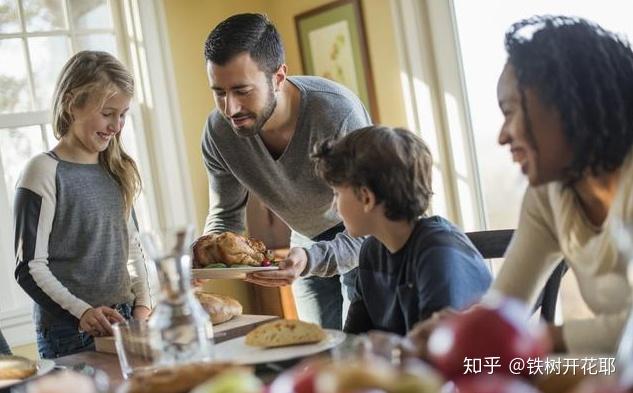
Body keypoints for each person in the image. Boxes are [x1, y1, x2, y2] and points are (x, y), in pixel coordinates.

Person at [407, 15, 633, 356]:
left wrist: (542, 340)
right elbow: (504, 307)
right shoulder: (549, 196)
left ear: (569, 104)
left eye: (510, 111)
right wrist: (458, 330)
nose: (502, 136)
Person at [199, 13, 371, 329]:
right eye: (219, 92)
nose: (230, 109)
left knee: (358, 350)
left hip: (362, 237)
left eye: (241, 90)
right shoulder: (218, 134)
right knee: (316, 353)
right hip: (305, 241)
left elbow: (372, 221)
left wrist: (312, 259)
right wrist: (204, 262)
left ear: (278, 78)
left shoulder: (336, 115)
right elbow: (226, 217)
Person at [14, 51, 152, 359]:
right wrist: (82, 313)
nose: (116, 126)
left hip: (127, 320)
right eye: (107, 113)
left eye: (123, 114)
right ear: (71, 103)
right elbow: (29, 267)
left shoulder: (118, 169)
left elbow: (131, 247)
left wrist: (142, 304)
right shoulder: (42, 172)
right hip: (69, 332)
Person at [311, 125, 491, 335]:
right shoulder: (371, 251)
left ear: (367, 197)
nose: (334, 207)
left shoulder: (437, 253)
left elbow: (438, 351)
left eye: (336, 194)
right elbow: (353, 340)